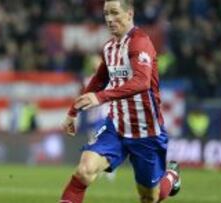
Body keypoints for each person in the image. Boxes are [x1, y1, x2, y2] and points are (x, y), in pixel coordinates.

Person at [59, 1, 181, 203]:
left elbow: (141, 82)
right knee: (84, 170)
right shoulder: (109, 48)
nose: (109, 19)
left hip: (146, 131)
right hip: (116, 126)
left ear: (129, 14)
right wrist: (73, 111)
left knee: (150, 197)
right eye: (106, 13)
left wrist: (100, 97)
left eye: (115, 13)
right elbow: (98, 81)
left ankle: (171, 176)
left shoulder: (140, 41)